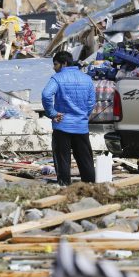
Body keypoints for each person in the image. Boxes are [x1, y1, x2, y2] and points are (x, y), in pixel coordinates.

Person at [42, 51, 96, 186]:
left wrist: (52, 113)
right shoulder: (87, 79)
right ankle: (90, 186)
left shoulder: (57, 78)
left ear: (64, 63)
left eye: (55, 64)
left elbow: (46, 95)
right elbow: (91, 102)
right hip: (81, 127)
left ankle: (64, 186)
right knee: (85, 159)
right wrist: (84, 115)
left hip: (62, 126)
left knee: (62, 160)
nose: (54, 67)